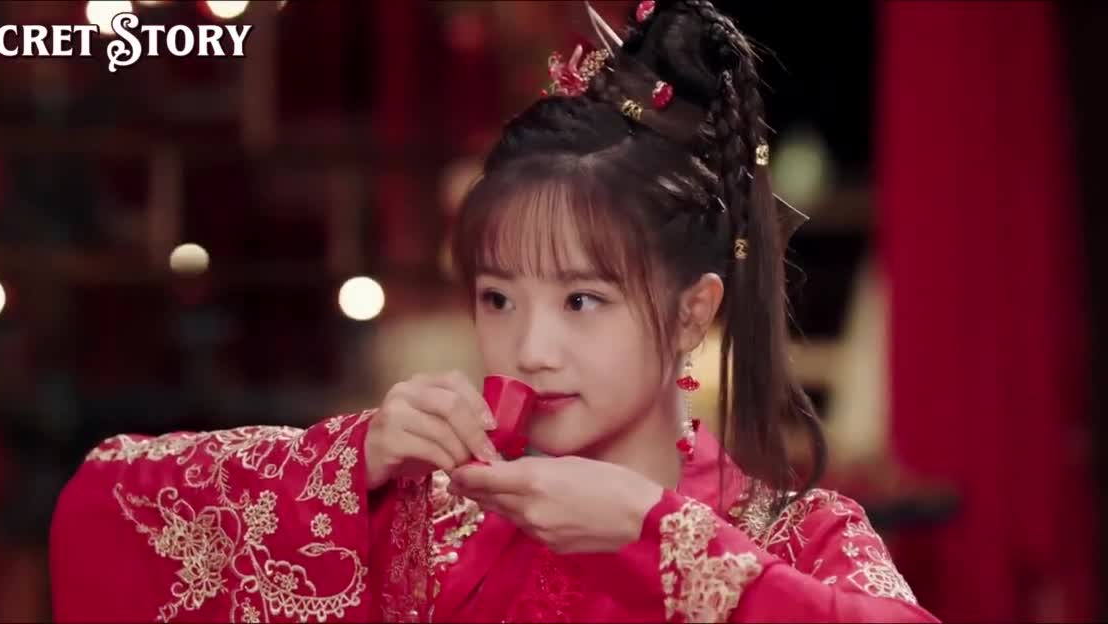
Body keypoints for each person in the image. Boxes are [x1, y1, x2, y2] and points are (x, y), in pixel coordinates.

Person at [49, 1, 940, 622]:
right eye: (498, 298)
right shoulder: (429, 515)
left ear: (688, 313)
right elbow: (103, 510)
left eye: (582, 299)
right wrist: (352, 459)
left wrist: (658, 538)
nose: (530, 347)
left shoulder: (793, 538)